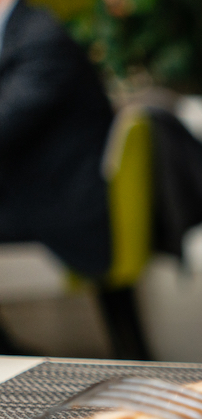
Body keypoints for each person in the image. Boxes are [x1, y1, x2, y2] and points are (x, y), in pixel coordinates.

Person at [0, 0, 114, 282]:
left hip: (60, 205)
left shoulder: (40, 36)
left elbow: (7, 121)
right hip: (32, 192)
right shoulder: (23, 32)